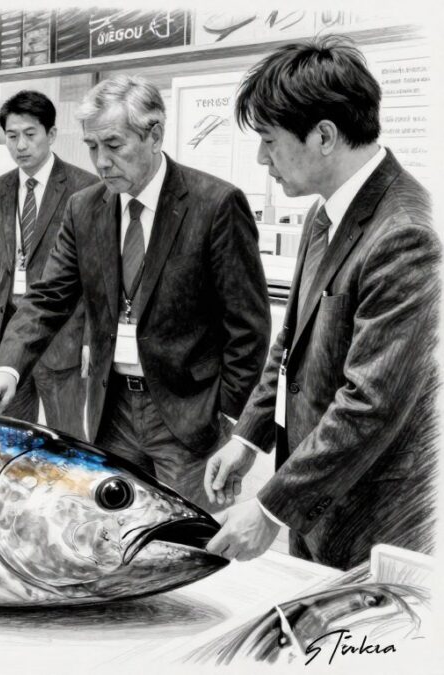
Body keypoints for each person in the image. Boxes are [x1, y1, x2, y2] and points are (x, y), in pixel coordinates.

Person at [0, 76, 270, 512]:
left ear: (154, 136)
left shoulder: (215, 204)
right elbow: (49, 297)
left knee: (189, 537)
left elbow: (249, 327)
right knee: (117, 532)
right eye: (92, 147)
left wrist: (226, 417)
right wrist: (7, 368)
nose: (101, 161)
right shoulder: (86, 207)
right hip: (112, 410)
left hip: (187, 416)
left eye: (113, 144)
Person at [204, 37, 439, 570]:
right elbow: (292, 345)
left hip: (374, 515)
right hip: (315, 501)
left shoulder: (407, 234)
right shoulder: (324, 213)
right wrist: (249, 438)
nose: (262, 158)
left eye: (268, 140)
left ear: (325, 136)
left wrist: (270, 507)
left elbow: (371, 404)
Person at [0, 90, 98, 436]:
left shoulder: (84, 188)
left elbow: (96, 274)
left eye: (30, 134)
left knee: (67, 436)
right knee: (11, 432)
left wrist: (91, 338)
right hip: (8, 331)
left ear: (52, 135)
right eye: (12, 136)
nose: (21, 145)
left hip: (64, 336)